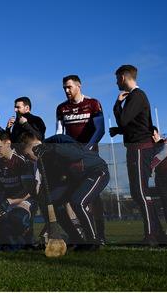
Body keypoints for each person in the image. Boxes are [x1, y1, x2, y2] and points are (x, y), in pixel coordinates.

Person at [20, 133, 109, 250]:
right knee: (52, 201)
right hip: (74, 179)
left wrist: (50, 148)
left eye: (27, 154)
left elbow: (77, 153)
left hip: (95, 171)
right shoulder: (42, 163)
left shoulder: (56, 140)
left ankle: (92, 241)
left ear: (34, 146)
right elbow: (52, 185)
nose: (28, 158)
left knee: (78, 202)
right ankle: (76, 239)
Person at [110, 64, 166, 245]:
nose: (116, 82)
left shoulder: (137, 96)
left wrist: (117, 104)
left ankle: (151, 236)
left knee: (141, 192)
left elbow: (125, 119)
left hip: (140, 148)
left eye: (117, 78)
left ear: (123, 78)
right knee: (137, 192)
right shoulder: (137, 97)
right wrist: (119, 131)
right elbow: (135, 123)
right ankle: (160, 234)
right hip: (136, 148)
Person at [56, 75, 106, 243]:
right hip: (70, 160)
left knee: (93, 198)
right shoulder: (61, 108)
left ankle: (101, 234)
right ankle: (83, 233)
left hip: (90, 157)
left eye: (69, 87)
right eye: (64, 88)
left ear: (79, 86)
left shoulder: (93, 103)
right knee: (73, 196)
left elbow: (100, 130)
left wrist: (85, 151)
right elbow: (59, 134)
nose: (66, 90)